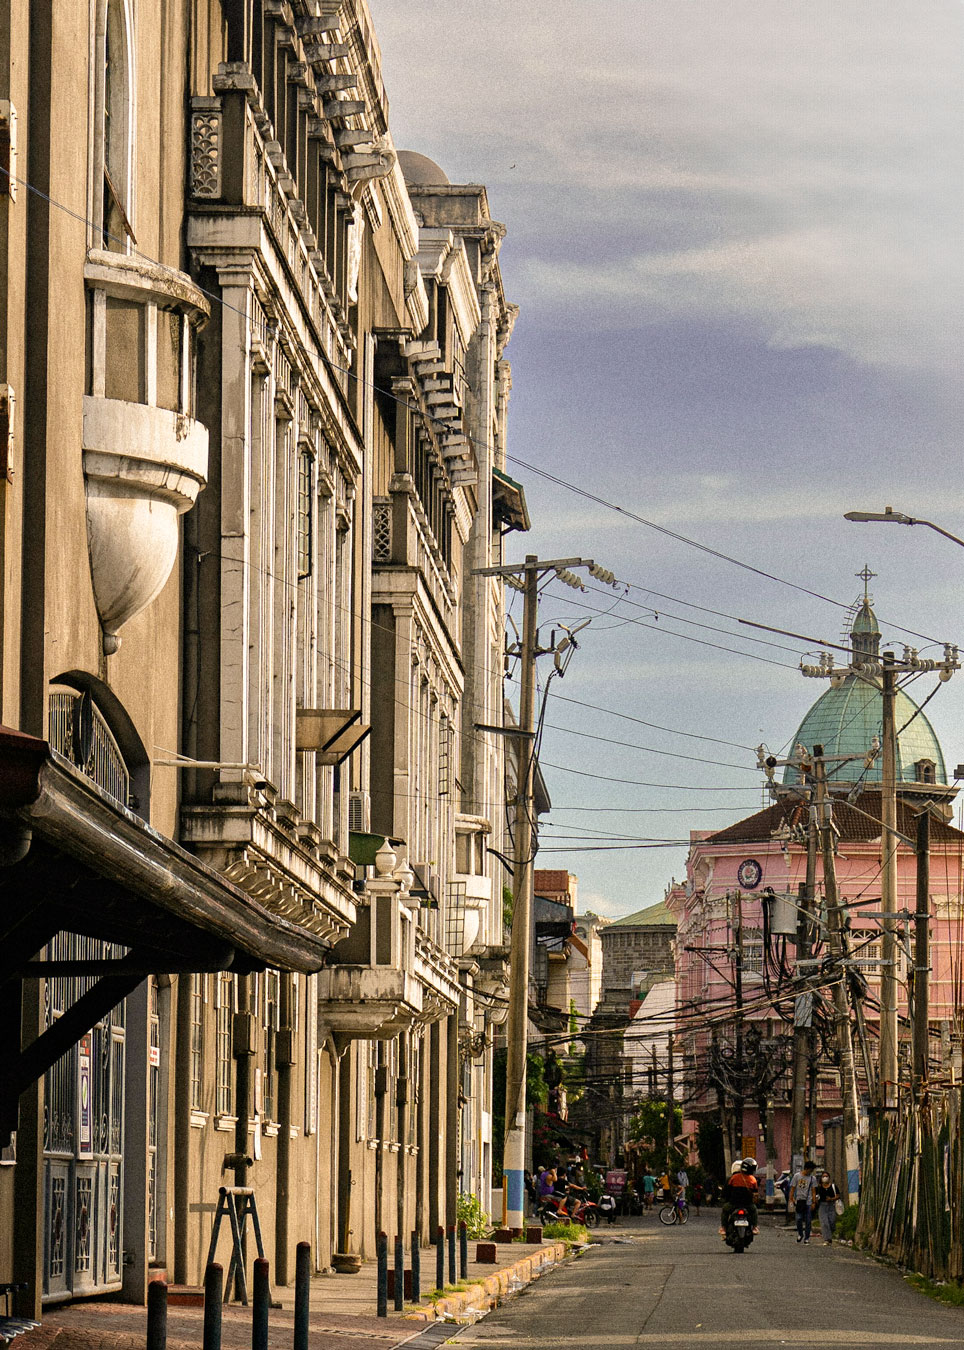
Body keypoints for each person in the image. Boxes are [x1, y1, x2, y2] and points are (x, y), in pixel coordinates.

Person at [719, 1158, 759, 1238]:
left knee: (725, 1210)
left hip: (733, 1204)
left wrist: (723, 1198)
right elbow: (755, 1194)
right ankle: (755, 1227)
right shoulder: (753, 1180)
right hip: (748, 1205)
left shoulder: (734, 1178)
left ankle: (723, 1228)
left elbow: (727, 1190)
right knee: (754, 1210)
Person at [789, 1160, 817, 1244]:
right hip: (799, 1201)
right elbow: (793, 1188)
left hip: (808, 1202)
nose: (811, 1172)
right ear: (807, 1168)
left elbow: (813, 1191)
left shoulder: (812, 1178)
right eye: (810, 1170)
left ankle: (807, 1237)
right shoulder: (797, 1176)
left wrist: (813, 1202)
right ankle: (800, 1234)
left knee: (808, 1220)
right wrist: (791, 1199)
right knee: (799, 1219)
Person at [814, 1170, 841, 1245]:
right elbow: (815, 1196)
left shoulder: (833, 1186)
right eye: (823, 1176)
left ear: (829, 1178)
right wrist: (815, 1200)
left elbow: (838, 1195)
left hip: (831, 1206)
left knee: (831, 1222)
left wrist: (831, 1199)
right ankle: (827, 1239)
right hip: (822, 1206)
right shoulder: (819, 1188)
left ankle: (830, 1235)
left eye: (826, 1176)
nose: (825, 1178)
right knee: (824, 1223)